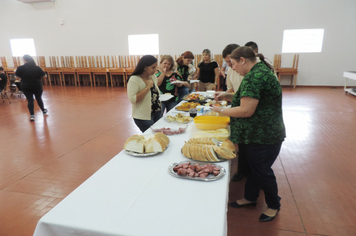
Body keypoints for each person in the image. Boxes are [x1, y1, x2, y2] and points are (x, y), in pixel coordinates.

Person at [211, 46, 286, 222]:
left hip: (264, 134)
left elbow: (246, 110)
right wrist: (227, 97)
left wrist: (220, 111)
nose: (233, 69)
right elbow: (249, 98)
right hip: (258, 132)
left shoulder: (256, 77)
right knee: (253, 168)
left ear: (242, 60)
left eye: (233, 64)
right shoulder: (257, 72)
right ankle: (250, 197)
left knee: (261, 170)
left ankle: (274, 204)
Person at [127, 55, 162, 133]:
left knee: (158, 136)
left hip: (157, 112)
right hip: (143, 116)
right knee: (152, 137)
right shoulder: (134, 79)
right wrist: (147, 87)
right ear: (145, 67)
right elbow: (133, 99)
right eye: (153, 67)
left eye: (156, 67)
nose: (155, 70)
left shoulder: (153, 77)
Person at [15, 55, 48, 121]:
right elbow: (44, 76)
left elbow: (16, 77)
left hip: (26, 86)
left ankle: (32, 115)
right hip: (36, 85)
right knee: (38, 98)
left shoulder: (20, 68)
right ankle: (43, 111)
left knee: (30, 100)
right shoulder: (37, 67)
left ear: (24, 60)